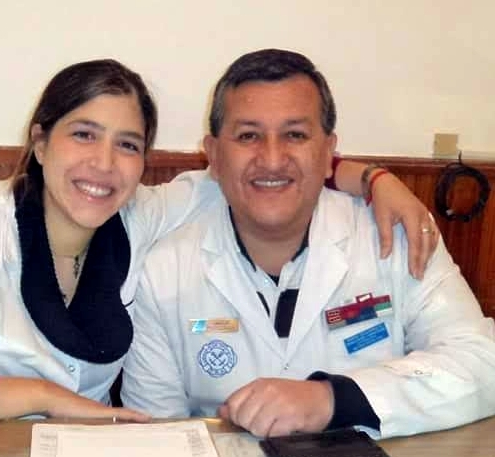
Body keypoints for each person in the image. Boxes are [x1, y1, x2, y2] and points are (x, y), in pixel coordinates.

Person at [0, 58, 436, 438]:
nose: (104, 165)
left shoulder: (145, 214)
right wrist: (41, 396)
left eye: (128, 145)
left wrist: (373, 178)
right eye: (84, 134)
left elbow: (260, 172)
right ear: (40, 142)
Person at [120, 49, 495, 439]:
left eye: (295, 135)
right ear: (213, 155)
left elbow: (484, 362)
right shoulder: (163, 270)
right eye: (248, 136)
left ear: (329, 151)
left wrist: (332, 400)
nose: (272, 159)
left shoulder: (396, 233)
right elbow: (154, 435)